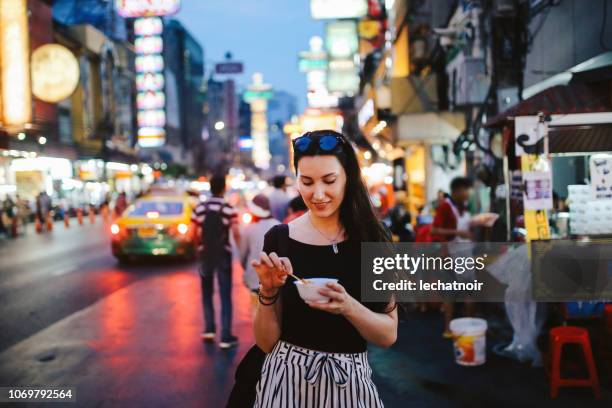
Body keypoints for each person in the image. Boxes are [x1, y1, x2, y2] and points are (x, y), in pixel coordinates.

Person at [250, 130, 397, 407]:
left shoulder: (373, 239)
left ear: (348, 178)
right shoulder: (279, 238)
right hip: (286, 382)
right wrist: (267, 292)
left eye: (329, 181)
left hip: (350, 383)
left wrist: (347, 306)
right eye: (306, 182)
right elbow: (266, 343)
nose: (317, 194)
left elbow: (388, 334)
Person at [192, 174, 241, 349]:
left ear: (210, 187)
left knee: (206, 292)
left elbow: (194, 232)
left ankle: (209, 329)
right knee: (225, 294)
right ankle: (225, 336)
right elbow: (235, 232)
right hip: (223, 254)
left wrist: (199, 248)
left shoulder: (199, 208)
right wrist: (241, 253)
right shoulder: (228, 208)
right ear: (223, 188)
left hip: (205, 254)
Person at [431, 176, 476, 338]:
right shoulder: (445, 207)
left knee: (468, 294)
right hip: (452, 255)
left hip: (466, 254)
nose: (467, 194)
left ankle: (469, 326)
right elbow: (434, 231)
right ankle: (448, 329)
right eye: (465, 190)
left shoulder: (463, 207)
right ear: (456, 191)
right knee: (451, 293)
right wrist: (459, 233)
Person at [238, 194, 280, 313]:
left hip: (254, 278)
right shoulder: (278, 225)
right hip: (274, 279)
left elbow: (243, 255)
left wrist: (246, 270)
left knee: (256, 313)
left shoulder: (249, 228)